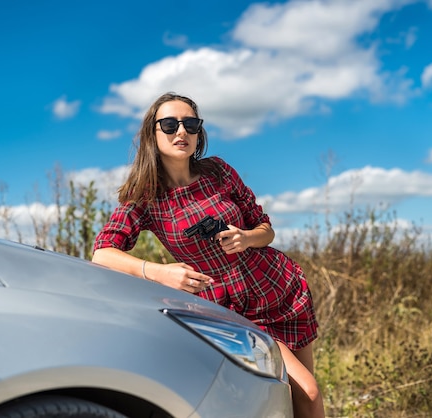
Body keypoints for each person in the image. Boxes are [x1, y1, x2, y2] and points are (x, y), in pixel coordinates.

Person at [92, 92, 325, 418]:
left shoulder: (218, 171)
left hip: (279, 289)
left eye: (191, 124)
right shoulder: (145, 195)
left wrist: (246, 237)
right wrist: (159, 272)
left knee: (306, 396)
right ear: (152, 133)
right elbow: (103, 253)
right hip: (231, 311)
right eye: (170, 124)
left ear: (199, 132)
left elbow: (267, 229)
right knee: (304, 393)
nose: (181, 132)